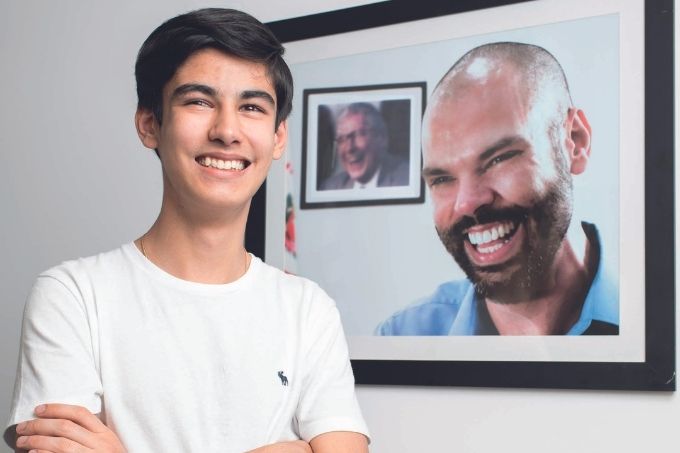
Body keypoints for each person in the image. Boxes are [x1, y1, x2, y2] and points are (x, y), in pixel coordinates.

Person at [5, 8, 369, 452]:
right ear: (150, 124)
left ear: (277, 139)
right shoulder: (73, 295)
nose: (227, 131)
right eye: (199, 101)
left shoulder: (308, 311)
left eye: (252, 107)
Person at [377, 42, 618, 336]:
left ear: (575, 143)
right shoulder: (402, 338)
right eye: (442, 179)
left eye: (499, 159)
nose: (466, 203)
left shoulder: (659, 320)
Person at [320, 102, 409, 189]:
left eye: (358, 134)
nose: (349, 148)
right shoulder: (329, 187)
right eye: (341, 139)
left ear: (381, 138)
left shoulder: (407, 179)